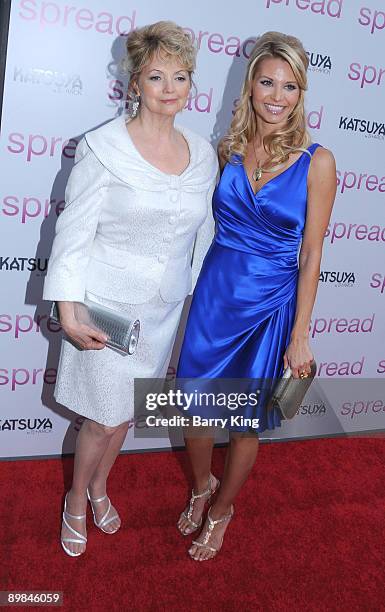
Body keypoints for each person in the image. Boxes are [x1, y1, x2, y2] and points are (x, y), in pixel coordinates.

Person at [43, 21, 218, 557]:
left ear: (192, 84)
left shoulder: (202, 153)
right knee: (101, 416)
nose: (170, 87)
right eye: (157, 75)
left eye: (181, 76)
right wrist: (68, 310)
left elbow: (203, 234)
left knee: (125, 414)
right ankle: (77, 498)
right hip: (107, 307)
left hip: (161, 311)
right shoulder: (104, 147)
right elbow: (72, 233)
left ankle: (100, 486)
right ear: (135, 82)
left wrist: (191, 300)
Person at [176, 31, 337, 561]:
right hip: (215, 297)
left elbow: (311, 255)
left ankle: (223, 510)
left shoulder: (318, 162)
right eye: (267, 82)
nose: (277, 95)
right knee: (196, 412)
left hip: (270, 306)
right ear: (250, 86)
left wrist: (301, 335)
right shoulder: (227, 147)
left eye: (289, 86)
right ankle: (202, 488)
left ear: (301, 92)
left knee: (244, 425)